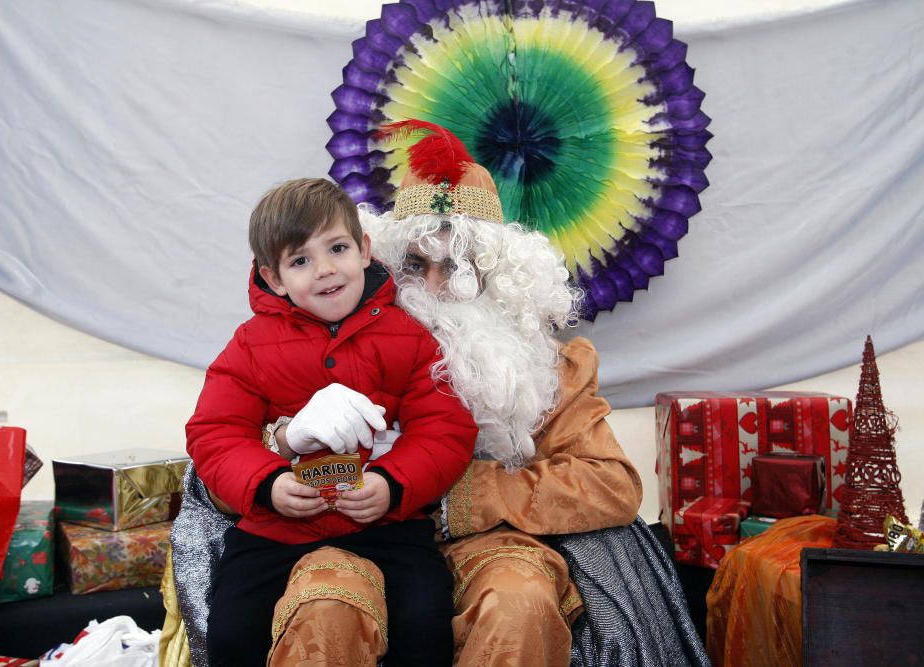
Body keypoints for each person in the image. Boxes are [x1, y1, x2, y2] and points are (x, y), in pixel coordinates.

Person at [161, 127, 709, 667]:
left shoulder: (553, 367)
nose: (436, 285)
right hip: (345, 533)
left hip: (482, 543)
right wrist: (282, 444)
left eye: (459, 266)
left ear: (499, 274)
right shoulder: (344, 335)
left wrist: (455, 499)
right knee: (325, 607)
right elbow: (218, 449)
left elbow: (611, 485)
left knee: (517, 604)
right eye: (417, 265)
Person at [186, 177, 477, 666]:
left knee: (426, 622)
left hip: (387, 524)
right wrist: (268, 483)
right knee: (233, 631)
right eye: (300, 260)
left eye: (337, 248)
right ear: (273, 278)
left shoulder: (408, 337)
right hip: (274, 530)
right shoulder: (250, 344)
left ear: (364, 249)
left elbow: (444, 430)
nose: (324, 270)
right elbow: (214, 434)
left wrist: (392, 483)